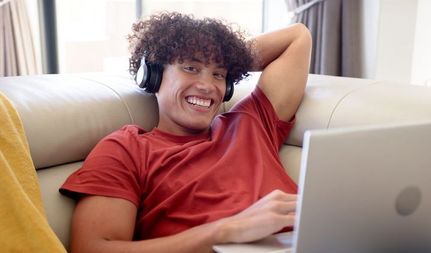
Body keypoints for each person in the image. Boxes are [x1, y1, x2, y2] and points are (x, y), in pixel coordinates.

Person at [60, 12, 311, 253]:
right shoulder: (127, 148)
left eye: (218, 75)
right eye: (191, 68)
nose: (207, 86)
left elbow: (297, 37)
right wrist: (226, 230)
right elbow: (91, 249)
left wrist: (230, 60)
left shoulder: (250, 122)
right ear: (153, 75)